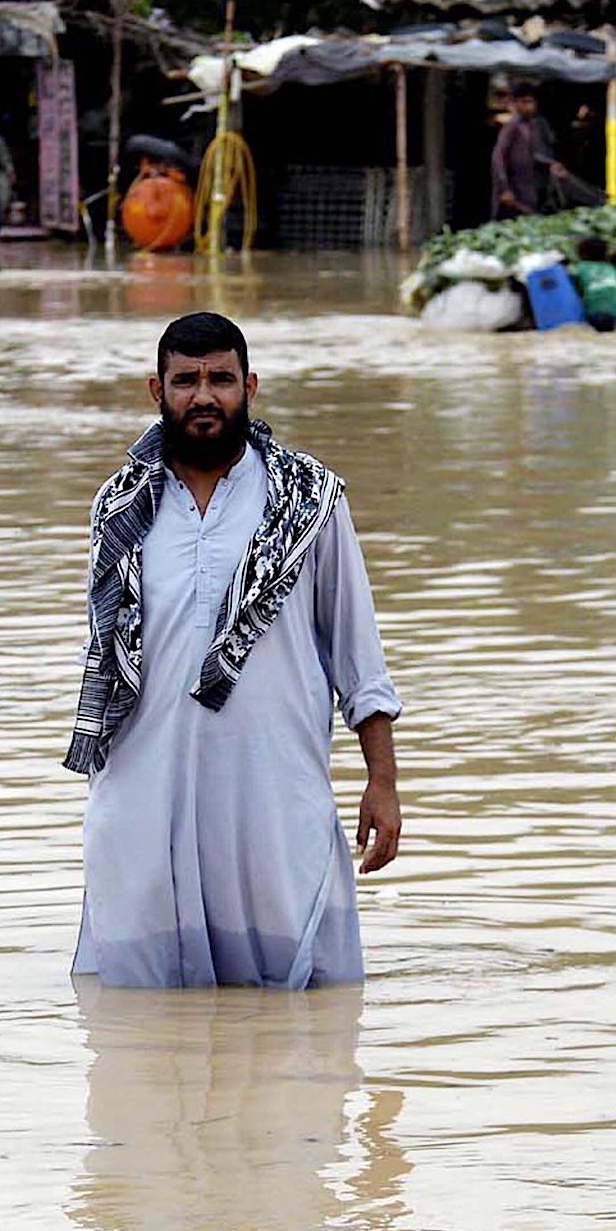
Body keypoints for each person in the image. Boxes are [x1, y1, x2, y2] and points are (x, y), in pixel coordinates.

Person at [67, 312, 403, 989]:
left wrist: (383, 782)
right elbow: (103, 655)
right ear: (155, 391)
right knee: (136, 1025)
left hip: (271, 789)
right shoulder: (119, 505)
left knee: (303, 1015)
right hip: (144, 785)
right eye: (185, 380)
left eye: (220, 378)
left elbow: (356, 650)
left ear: (249, 385)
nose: (204, 395)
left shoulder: (309, 500)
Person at [489, 87, 557, 218]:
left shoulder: (536, 125)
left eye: (531, 102)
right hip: (514, 185)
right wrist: (504, 189)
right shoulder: (511, 126)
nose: (529, 107)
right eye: (525, 102)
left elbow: (537, 154)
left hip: (532, 184)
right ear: (516, 104)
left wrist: (551, 164)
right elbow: (498, 158)